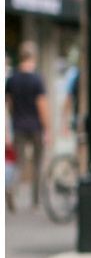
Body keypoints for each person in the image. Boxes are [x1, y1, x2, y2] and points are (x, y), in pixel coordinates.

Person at [7, 43, 50, 211]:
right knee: (38, 163)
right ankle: (35, 200)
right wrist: (47, 128)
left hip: (18, 125)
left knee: (19, 162)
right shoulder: (37, 79)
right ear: (34, 57)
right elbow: (42, 106)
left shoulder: (12, 79)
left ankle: (12, 187)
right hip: (36, 126)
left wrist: (14, 118)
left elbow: (9, 103)